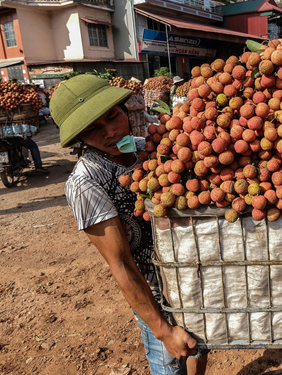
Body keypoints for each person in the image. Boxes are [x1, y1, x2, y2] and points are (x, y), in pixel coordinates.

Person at [49, 75, 208, 375]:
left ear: (124, 110)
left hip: (192, 282)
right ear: (79, 138)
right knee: (170, 365)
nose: (110, 131)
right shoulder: (85, 183)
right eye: (92, 128)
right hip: (155, 298)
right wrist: (162, 330)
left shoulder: (148, 148)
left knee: (198, 352)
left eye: (112, 116)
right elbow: (120, 263)